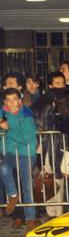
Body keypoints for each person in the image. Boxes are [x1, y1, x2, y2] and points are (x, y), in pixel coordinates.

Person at [0, 88, 38, 229]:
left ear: (20, 100)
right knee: (3, 168)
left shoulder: (27, 115)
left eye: (14, 99)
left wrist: (8, 129)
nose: (11, 103)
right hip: (10, 152)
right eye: (8, 100)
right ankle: (13, 195)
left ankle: (30, 217)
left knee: (27, 185)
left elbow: (26, 138)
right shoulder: (2, 113)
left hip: (26, 152)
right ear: (5, 101)